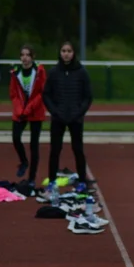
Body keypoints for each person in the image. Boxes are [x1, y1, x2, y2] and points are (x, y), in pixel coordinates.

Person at [43, 41, 94, 187]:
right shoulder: (54, 72)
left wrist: (79, 112)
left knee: (78, 149)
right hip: (58, 118)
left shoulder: (81, 72)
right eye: (63, 51)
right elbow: (46, 94)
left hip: (75, 119)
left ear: (73, 53)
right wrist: (54, 111)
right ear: (60, 53)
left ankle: (82, 181)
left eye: (69, 51)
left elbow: (88, 96)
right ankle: (52, 181)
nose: (66, 54)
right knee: (55, 150)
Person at [9, 44, 47, 183]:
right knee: (15, 137)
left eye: (27, 55)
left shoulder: (39, 71)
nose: (24, 58)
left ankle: (31, 178)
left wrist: (29, 108)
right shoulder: (15, 72)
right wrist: (20, 110)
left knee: (34, 145)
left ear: (32, 57)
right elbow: (14, 94)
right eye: (22, 55)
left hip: (35, 110)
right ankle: (24, 161)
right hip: (21, 111)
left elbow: (41, 92)